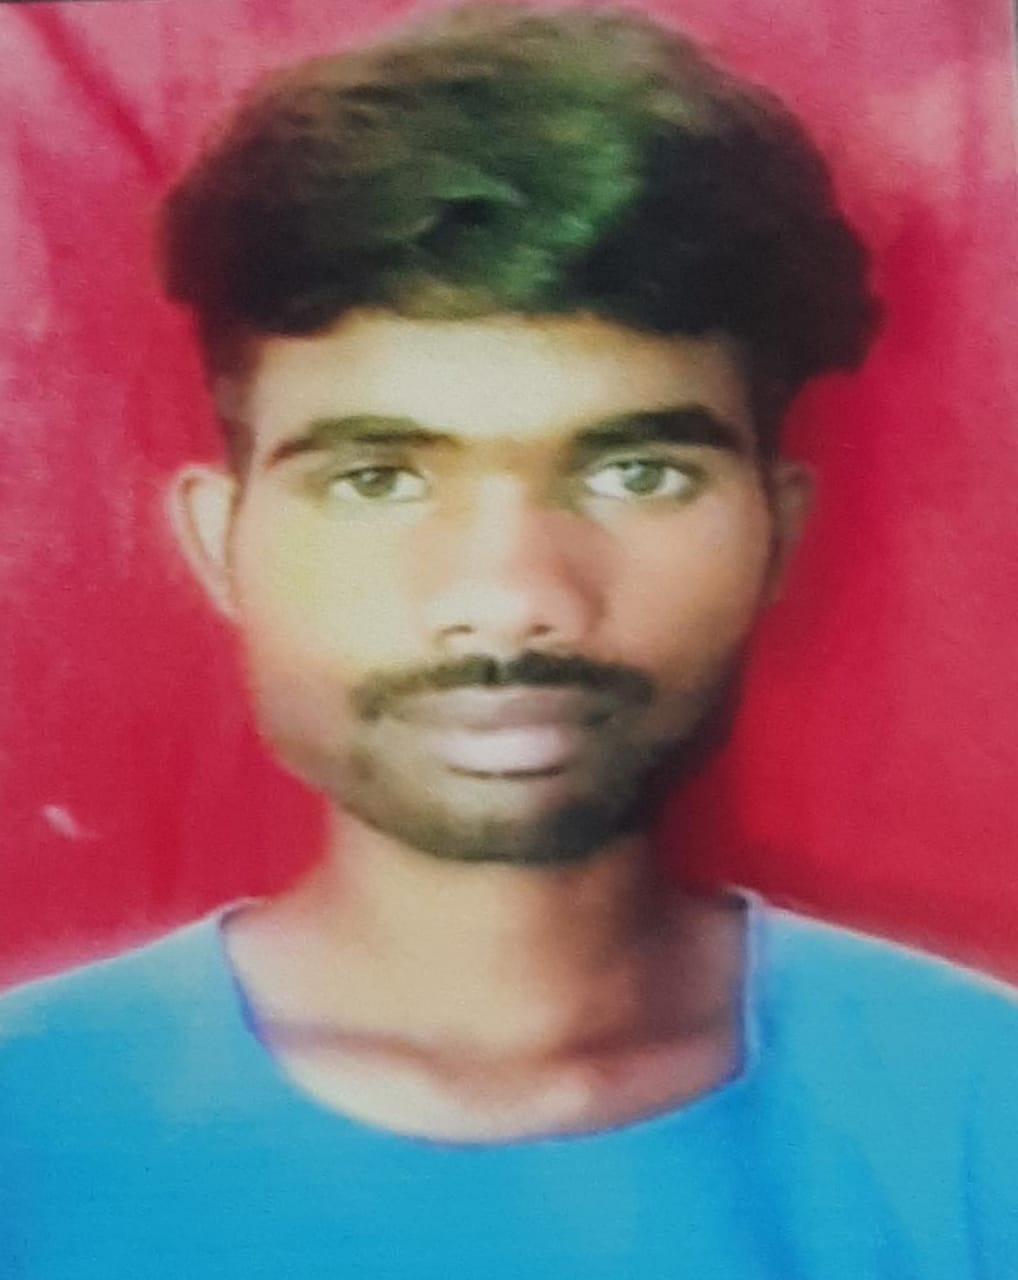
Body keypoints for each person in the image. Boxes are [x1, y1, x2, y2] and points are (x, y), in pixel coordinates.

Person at [1, 3, 1015, 1275]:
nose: (512, 595)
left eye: (636, 472)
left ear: (778, 529)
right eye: (378, 478)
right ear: (220, 544)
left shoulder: (984, 1114)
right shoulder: (27, 1132)